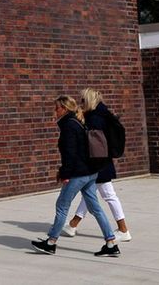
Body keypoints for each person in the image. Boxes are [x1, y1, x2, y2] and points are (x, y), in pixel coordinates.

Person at [30, 95, 121, 258]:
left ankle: (51, 243)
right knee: (95, 208)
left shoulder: (69, 126)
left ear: (64, 109)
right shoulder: (78, 121)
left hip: (78, 174)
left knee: (62, 206)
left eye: (56, 108)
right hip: (91, 172)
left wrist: (65, 174)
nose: (54, 111)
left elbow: (70, 154)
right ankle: (111, 243)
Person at [63, 88, 131, 241]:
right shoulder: (102, 115)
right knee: (89, 194)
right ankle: (73, 224)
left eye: (82, 100)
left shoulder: (95, 119)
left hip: (98, 163)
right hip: (101, 162)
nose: (80, 103)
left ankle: (123, 229)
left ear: (88, 100)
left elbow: (95, 146)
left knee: (108, 195)